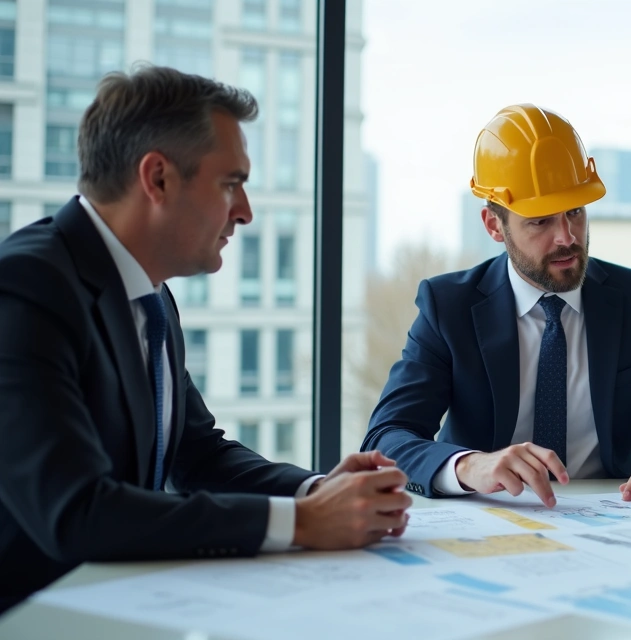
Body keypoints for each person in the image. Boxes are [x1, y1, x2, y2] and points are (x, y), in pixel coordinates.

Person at [0, 66, 411, 613]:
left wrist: (316, 492)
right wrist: (303, 524)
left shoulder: (150, 294)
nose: (245, 212)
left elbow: (196, 453)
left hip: (119, 603)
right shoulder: (24, 288)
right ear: (159, 178)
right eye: (231, 183)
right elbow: (77, 512)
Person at [363, 104, 631, 507]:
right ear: (493, 225)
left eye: (575, 212)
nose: (567, 237)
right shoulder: (449, 306)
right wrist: (470, 467)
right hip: (491, 522)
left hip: (617, 519)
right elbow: (387, 439)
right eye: (540, 221)